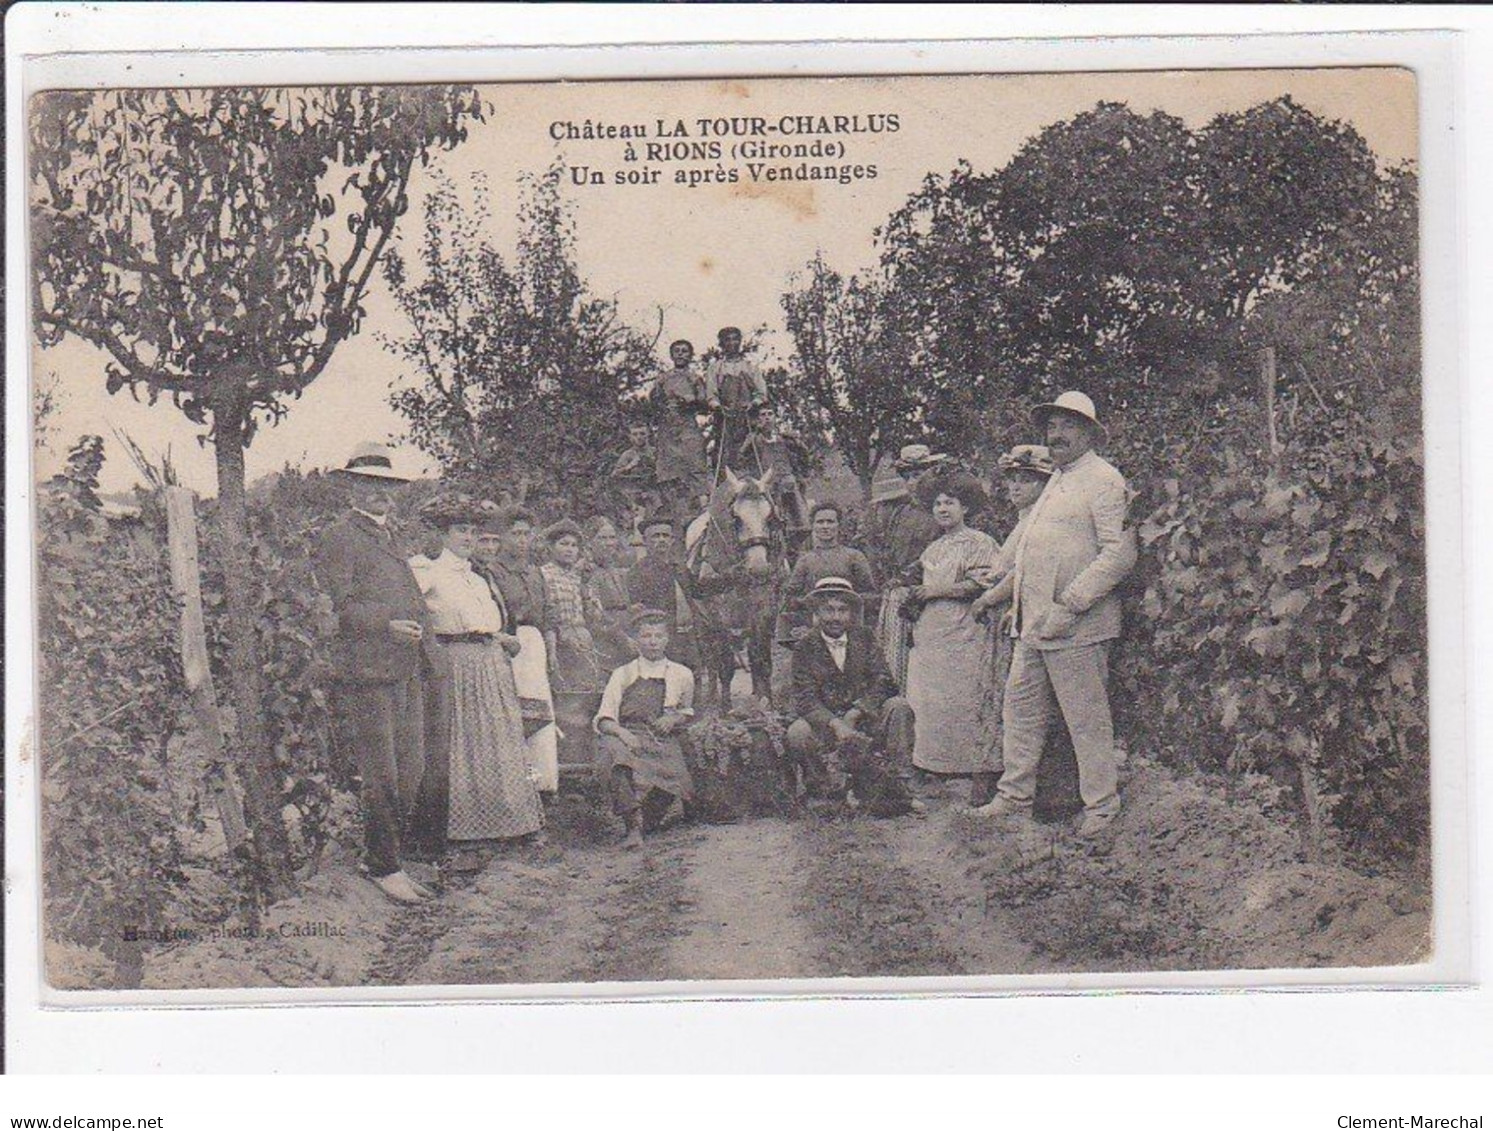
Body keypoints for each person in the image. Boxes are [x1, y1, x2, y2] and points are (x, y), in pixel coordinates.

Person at [974, 391, 1138, 839]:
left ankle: (1101, 807)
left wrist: (1071, 605)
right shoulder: (1056, 482)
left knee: (1086, 718)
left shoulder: (1103, 480)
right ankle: (1013, 797)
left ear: (1088, 432)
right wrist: (1004, 596)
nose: (1057, 434)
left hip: (1078, 626)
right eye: (1051, 426)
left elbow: (1120, 554)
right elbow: (1029, 555)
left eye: (1068, 426)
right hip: (1035, 626)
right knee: (1021, 711)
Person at [312, 442, 441, 905]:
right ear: (351, 488)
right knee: (382, 774)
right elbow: (336, 605)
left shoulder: (391, 536)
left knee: (412, 769)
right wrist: (385, 623)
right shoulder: (340, 537)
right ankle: (383, 864)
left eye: (385, 486)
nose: (378, 494)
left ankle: (389, 855)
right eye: (368, 485)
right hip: (366, 671)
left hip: (405, 666)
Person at [410, 494, 544, 869]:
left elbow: (483, 623)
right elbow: (415, 615)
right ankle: (462, 832)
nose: (468, 538)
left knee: (497, 742)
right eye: (459, 531)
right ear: (442, 534)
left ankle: (506, 824)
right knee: (463, 744)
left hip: (491, 663)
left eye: (472, 530)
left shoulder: (478, 576)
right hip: (457, 665)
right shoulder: (427, 571)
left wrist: (501, 638)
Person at [966, 444, 1057, 809]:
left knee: (1020, 702)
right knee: (1007, 700)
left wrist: (990, 597)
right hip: (1015, 618)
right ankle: (1005, 782)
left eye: (1026, 480)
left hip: (1029, 620)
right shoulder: (1024, 521)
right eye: (1012, 480)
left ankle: (1019, 786)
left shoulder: (1041, 520)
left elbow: (1025, 572)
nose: (1016, 487)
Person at [787, 578, 922, 817]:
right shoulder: (805, 647)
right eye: (828, 610)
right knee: (798, 732)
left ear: (851, 613)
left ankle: (899, 787)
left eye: (842, 610)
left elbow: (885, 681)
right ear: (817, 613)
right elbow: (805, 698)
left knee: (898, 707)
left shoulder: (865, 638)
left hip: (864, 719)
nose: (835, 617)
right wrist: (835, 723)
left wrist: (856, 712)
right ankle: (823, 792)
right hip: (826, 724)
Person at [904, 469, 1002, 778]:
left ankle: (973, 766)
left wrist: (938, 590)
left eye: (950, 503)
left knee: (965, 693)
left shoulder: (979, 542)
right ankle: (936, 764)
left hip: (965, 628)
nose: (943, 509)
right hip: (933, 631)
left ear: (966, 508)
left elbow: (984, 582)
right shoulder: (933, 548)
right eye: (937, 504)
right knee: (934, 697)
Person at [595, 608, 697, 849]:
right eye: (646, 636)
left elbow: (688, 711)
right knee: (616, 758)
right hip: (627, 733)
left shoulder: (681, 674)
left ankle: (646, 821)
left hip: (660, 735)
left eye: (658, 636)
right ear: (636, 639)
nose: (653, 642)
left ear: (667, 639)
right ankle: (631, 826)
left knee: (678, 780)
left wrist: (674, 719)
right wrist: (623, 734)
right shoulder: (623, 673)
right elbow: (604, 718)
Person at [475, 502, 558, 796]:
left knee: (541, 714)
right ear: (502, 537)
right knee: (517, 716)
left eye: (526, 534)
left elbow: (548, 612)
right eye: (515, 534)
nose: (521, 540)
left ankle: (543, 783)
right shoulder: (492, 572)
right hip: (510, 646)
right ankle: (516, 787)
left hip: (535, 648)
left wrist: (551, 647)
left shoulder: (535, 573)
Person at [866, 451, 945, 692]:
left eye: (919, 475)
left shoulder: (942, 509)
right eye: (908, 477)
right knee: (893, 652)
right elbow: (885, 550)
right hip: (900, 592)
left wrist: (910, 578)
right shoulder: (900, 513)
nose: (913, 482)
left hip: (932, 590)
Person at [782, 503, 877, 644]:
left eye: (830, 521)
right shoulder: (805, 560)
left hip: (849, 629)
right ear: (813, 526)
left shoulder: (854, 556)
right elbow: (792, 596)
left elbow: (869, 593)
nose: (825, 526)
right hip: (816, 629)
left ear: (839, 525)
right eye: (820, 522)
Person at [540, 518, 607, 695]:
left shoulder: (578, 577)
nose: (570, 549)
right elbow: (547, 615)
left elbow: (593, 615)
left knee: (586, 690)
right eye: (564, 544)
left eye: (574, 545)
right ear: (551, 547)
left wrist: (589, 593)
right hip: (558, 640)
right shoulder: (544, 575)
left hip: (582, 637)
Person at [651, 340, 711, 527]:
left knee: (695, 465)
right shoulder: (663, 379)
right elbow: (653, 402)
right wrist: (664, 407)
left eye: (685, 351)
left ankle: (702, 509)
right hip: (668, 429)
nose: (680, 354)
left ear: (690, 355)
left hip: (688, 427)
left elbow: (705, 406)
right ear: (671, 355)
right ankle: (670, 510)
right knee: (669, 470)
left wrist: (691, 401)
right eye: (676, 351)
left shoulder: (695, 378)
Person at [736, 404, 811, 542]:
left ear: (775, 418)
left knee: (798, 508)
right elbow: (741, 459)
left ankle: (800, 529)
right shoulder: (754, 440)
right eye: (763, 415)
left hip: (787, 480)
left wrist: (803, 473)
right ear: (758, 420)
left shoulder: (785, 439)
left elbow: (804, 454)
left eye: (770, 414)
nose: (767, 418)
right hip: (767, 483)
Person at [705, 326, 770, 471]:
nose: (731, 343)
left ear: (740, 342)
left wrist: (753, 404)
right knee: (724, 456)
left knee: (752, 452)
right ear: (721, 344)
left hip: (748, 418)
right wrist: (718, 407)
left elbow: (762, 394)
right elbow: (711, 395)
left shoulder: (750, 367)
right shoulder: (715, 368)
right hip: (725, 419)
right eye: (727, 340)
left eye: (735, 339)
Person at [628, 511, 687, 644]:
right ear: (645, 541)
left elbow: (699, 591)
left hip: (689, 637)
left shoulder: (680, 568)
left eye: (665, 536)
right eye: (656, 536)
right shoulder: (637, 572)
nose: (661, 540)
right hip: (661, 639)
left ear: (672, 540)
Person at [586, 515, 636, 671]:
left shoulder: (618, 570)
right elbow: (596, 613)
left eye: (612, 538)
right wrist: (622, 637)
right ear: (590, 542)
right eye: (602, 538)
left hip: (627, 634)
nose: (609, 543)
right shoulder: (588, 573)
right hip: (606, 639)